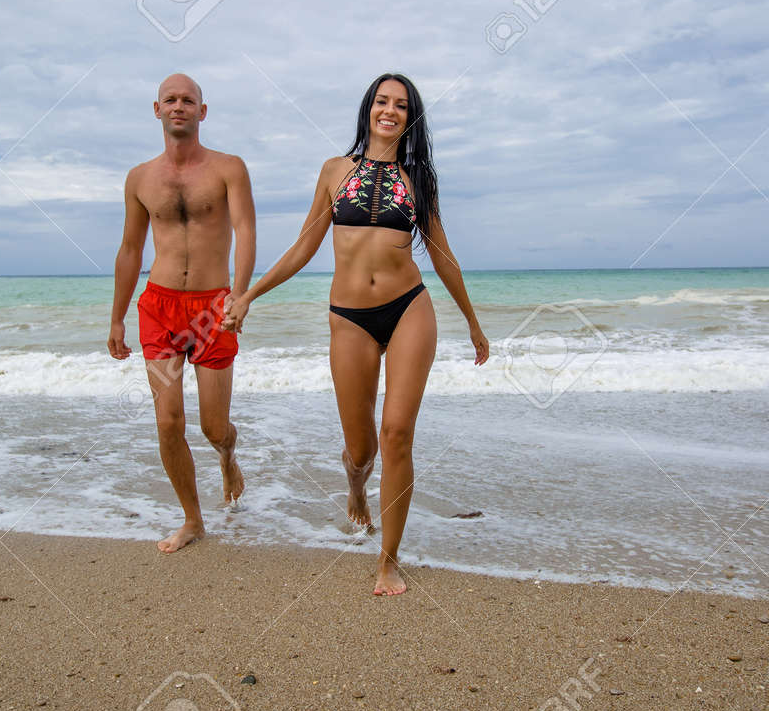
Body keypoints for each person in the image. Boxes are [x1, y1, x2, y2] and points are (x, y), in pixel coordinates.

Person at [223, 73, 488, 595]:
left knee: (397, 434)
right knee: (362, 447)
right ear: (368, 108)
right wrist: (250, 295)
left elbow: (442, 255)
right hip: (348, 316)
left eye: (401, 105)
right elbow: (303, 247)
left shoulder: (418, 178)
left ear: (411, 118)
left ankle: (388, 559)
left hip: (410, 306)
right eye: (382, 101)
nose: (390, 110)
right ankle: (357, 487)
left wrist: (474, 323)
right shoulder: (333, 171)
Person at [108, 73, 256, 554]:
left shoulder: (229, 167)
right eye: (170, 100)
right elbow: (130, 248)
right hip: (160, 306)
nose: (179, 107)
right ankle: (193, 520)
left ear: (202, 111)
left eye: (187, 100)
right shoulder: (140, 178)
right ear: (156, 109)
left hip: (214, 306)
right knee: (168, 422)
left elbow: (245, 229)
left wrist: (240, 295)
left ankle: (227, 455)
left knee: (214, 428)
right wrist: (116, 317)